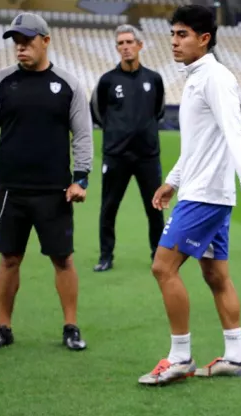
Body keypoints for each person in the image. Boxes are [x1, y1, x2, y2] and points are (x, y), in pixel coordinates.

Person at [138, 5, 241, 385]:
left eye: (182, 35)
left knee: (163, 267)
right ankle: (235, 356)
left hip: (207, 196)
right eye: (173, 35)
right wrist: (172, 180)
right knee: (215, 274)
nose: (174, 43)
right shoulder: (196, 77)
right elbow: (198, 145)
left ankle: (179, 358)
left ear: (204, 38)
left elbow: (234, 133)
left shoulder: (215, 78)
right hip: (199, 190)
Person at [0, 12, 93, 352]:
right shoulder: (1, 82)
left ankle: (71, 326)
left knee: (63, 259)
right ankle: (3, 328)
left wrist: (80, 178)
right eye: (16, 41)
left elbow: (82, 135)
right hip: (10, 189)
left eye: (27, 40)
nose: (20, 47)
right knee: (9, 258)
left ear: (46, 41)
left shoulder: (68, 84)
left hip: (55, 191)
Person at [90, 24, 166, 272]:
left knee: (154, 208)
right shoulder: (107, 81)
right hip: (116, 156)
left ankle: (158, 254)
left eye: (129, 42)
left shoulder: (153, 79)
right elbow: (98, 113)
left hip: (147, 156)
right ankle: (105, 256)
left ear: (139, 45)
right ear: (117, 48)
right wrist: (117, 134)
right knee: (109, 207)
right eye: (120, 43)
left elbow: (158, 111)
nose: (125, 47)